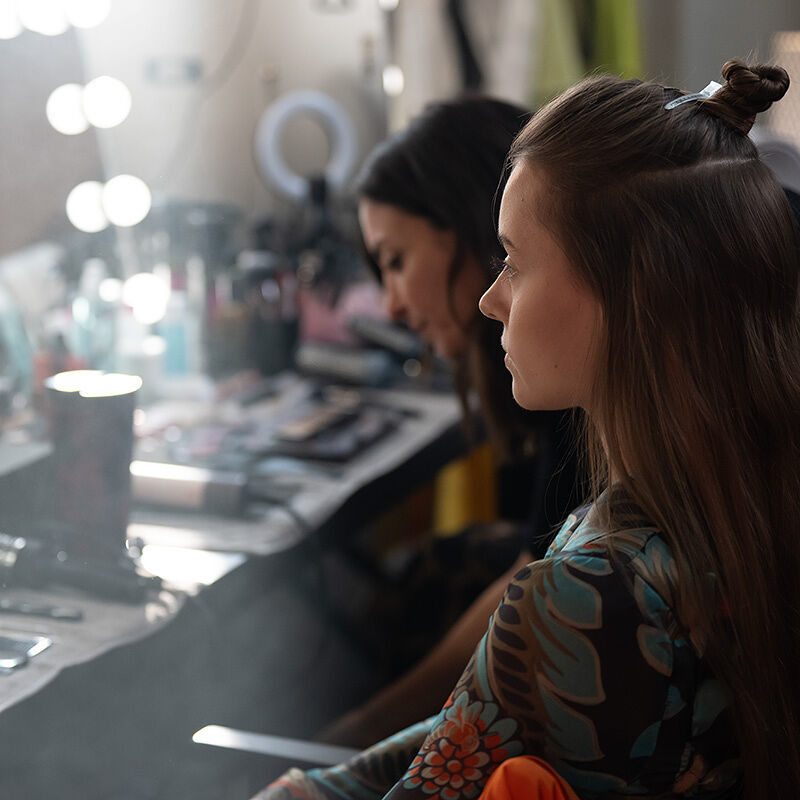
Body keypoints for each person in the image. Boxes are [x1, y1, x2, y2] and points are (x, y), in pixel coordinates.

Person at [256, 59, 800, 800]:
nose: (489, 300)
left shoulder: (589, 596)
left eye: (512, 261)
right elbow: (459, 736)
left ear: (632, 295)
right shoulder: (747, 507)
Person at [319, 97, 582, 748]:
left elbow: (536, 585)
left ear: (463, 226)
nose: (390, 304)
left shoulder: (577, 378)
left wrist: (362, 735)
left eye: (396, 261)